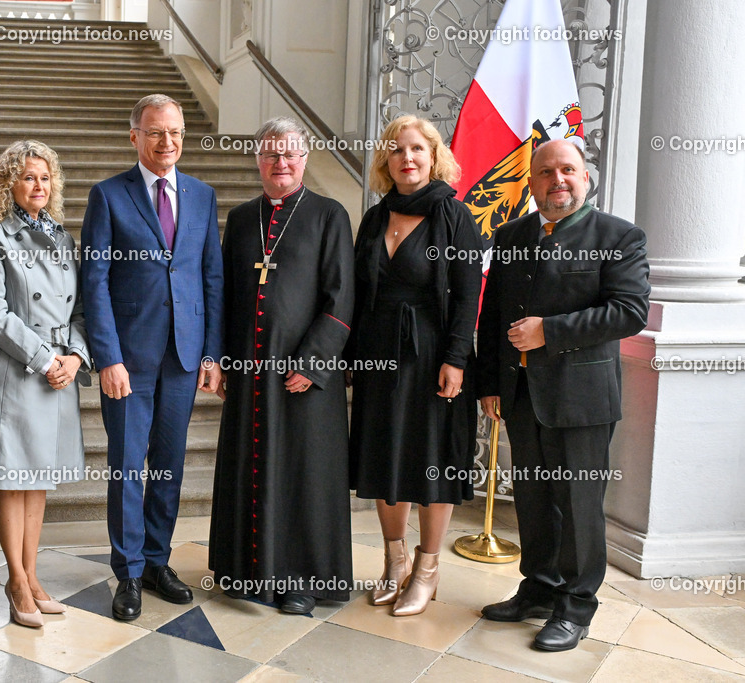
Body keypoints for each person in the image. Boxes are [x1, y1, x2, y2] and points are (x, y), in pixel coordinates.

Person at [476, 139, 650, 651]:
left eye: (568, 170)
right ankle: (538, 588)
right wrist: (489, 383)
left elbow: (629, 311)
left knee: (577, 505)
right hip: (521, 394)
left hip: (582, 400)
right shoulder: (510, 235)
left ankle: (575, 607)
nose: (558, 180)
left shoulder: (620, 236)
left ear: (586, 177)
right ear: (530, 182)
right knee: (532, 499)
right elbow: (492, 318)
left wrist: (550, 331)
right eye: (546, 172)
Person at [81, 94, 224, 621]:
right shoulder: (108, 196)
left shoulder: (203, 196)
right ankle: (129, 573)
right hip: (129, 358)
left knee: (168, 462)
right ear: (135, 137)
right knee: (126, 465)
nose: (168, 142)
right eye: (156, 132)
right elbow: (93, 282)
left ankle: (159, 561)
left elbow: (211, 277)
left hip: (184, 355)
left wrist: (212, 352)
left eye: (176, 132)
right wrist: (107, 357)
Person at [208, 118, 355, 615]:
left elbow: (341, 296)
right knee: (250, 468)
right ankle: (245, 572)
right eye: (271, 155)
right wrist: (224, 360)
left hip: (303, 375)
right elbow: (227, 297)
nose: (281, 164)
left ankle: (300, 581)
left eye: (290, 154)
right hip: (251, 373)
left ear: (305, 159)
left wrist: (314, 362)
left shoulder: (329, 214)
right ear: (258, 160)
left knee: (302, 474)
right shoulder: (242, 217)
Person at [348, 114, 482, 617]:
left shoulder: (454, 215)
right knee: (383, 455)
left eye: (417, 150)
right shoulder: (375, 216)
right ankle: (394, 563)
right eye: (397, 149)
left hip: (431, 354)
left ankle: (427, 570)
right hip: (377, 349)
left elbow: (469, 295)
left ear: (433, 157)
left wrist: (455, 359)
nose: (407, 157)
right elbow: (358, 293)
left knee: (430, 457)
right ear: (386, 159)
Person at [0, 140, 90, 629]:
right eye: (27, 178)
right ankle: (16, 581)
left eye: (45, 178)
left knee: (39, 479)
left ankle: (35, 576)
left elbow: (80, 309)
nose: (39, 186)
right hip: (16, 373)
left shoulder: (62, 239)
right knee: (13, 477)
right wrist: (45, 359)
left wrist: (76, 357)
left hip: (59, 372)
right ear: (7, 185)